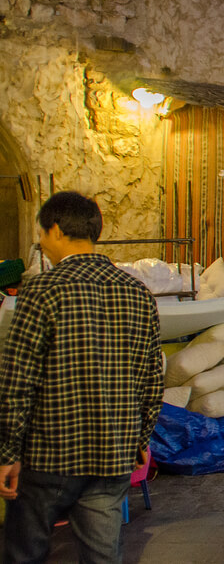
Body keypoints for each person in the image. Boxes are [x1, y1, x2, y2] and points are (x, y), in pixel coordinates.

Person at [0, 192, 163, 562]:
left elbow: (17, 380)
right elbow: (152, 377)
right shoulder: (138, 294)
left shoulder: (42, 289)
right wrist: (140, 438)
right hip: (112, 457)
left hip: (49, 456)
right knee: (102, 557)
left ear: (56, 230)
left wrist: (8, 453)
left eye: (41, 233)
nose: (40, 242)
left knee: (24, 553)